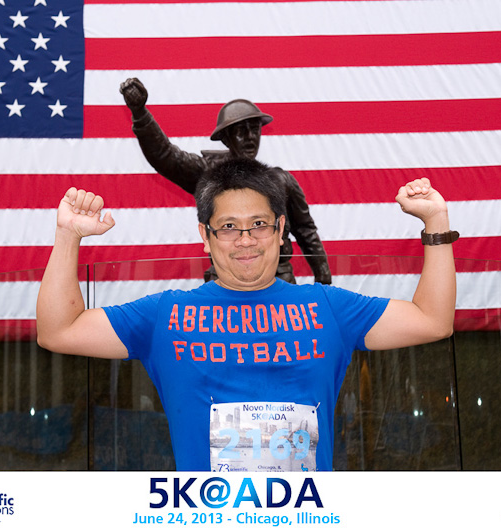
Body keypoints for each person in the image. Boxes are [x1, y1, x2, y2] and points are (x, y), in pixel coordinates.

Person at [36, 158, 458, 472]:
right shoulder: (164, 315)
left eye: (259, 224)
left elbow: (432, 321)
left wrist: (435, 221)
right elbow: (59, 331)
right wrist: (68, 235)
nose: (245, 240)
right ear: (205, 236)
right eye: (228, 227)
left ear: (280, 230)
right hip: (204, 517)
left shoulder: (329, 308)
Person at [119, 77, 331, 284]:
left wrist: (323, 279)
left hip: (277, 282)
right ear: (226, 139)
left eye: (254, 130)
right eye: (240, 131)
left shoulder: (281, 181)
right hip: (225, 282)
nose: (249, 137)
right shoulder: (209, 174)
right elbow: (166, 156)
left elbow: (305, 230)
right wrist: (140, 114)